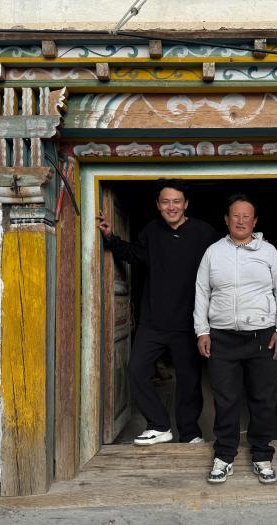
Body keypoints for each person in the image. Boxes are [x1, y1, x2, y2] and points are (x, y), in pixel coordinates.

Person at [97, 179, 219, 445]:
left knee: (189, 381)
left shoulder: (204, 233)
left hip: (189, 321)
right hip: (153, 321)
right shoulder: (151, 231)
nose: (171, 207)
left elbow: (221, 266)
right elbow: (134, 254)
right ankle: (159, 425)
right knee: (136, 370)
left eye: (176, 201)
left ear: (186, 204)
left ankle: (190, 433)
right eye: (165, 202)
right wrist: (110, 238)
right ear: (158, 205)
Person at [194, 193, 277, 484]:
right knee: (226, 399)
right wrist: (202, 331)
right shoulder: (213, 252)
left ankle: (262, 455)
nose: (240, 221)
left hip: (263, 337)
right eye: (235, 215)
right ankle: (224, 456)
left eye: (246, 216)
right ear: (226, 220)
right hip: (222, 338)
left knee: (263, 398)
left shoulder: (269, 252)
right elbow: (202, 292)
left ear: (254, 221)